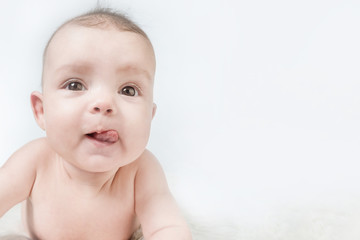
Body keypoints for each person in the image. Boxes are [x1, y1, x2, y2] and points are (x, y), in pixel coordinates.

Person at [0, 8, 192, 240]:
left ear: (149, 117)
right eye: (75, 85)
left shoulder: (142, 171)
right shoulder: (35, 160)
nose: (104, 103)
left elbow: (168, 229)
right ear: (42, 111)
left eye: (128, 90)